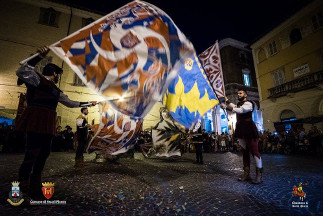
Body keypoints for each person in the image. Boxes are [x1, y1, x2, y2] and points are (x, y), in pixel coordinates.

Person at [15, 46, 97, 199]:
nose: (59, 77)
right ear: (54, 73)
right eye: (58, 74)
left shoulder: (56, 90)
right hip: (36, 120)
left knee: (44, 153)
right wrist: (39, 56)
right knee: (31, 154)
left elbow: (70, 103)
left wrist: (88, 103)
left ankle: (34, 183)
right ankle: (21, 186)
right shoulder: (36, 78)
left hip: (47, 122)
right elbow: (21, 72)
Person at [220, 90, 263, 184]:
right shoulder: (239, 104)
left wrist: (226, 107)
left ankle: (259, 175)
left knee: (255, 152)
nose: (238, 95)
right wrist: (227, 101)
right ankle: (246, 174)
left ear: (245, 95)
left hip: (249, 128)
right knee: (245, 152)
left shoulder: (249, 103)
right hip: (241, 129)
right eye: (238, 93)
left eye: (240, 93)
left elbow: (241, 110)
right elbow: (235, 107)